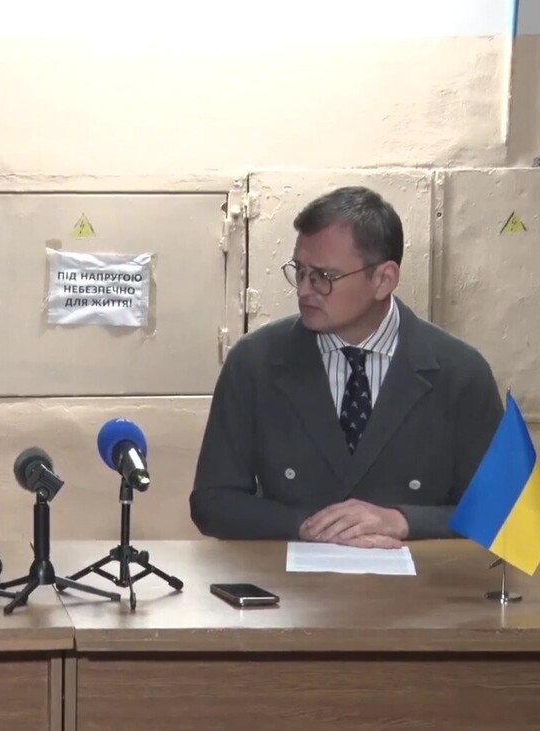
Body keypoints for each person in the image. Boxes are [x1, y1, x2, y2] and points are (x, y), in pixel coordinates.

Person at [190, 186, 502, 547]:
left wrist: (403, 520)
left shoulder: (460, 372)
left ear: (383, 280)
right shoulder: (253, 363)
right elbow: (213, 502)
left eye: (324, 277)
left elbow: (499, 509)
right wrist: (307, 526)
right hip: (288, 580)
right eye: (300, 271)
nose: (305, 290)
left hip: (423, 580)